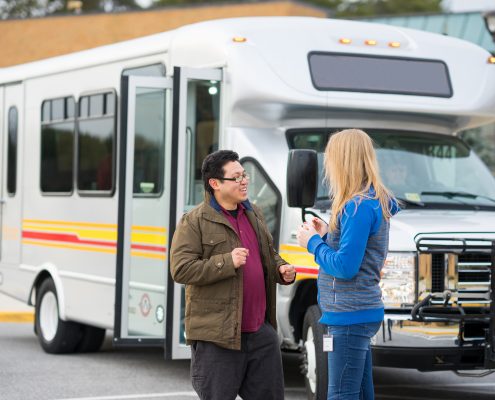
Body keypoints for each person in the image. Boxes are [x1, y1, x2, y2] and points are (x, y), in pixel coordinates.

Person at [170, 150, 296, 400]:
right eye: (236, 177)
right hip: (218, 338)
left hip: (261, 333)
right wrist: (226, 261)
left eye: (244, 175)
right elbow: (181, 269)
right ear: (215, 184)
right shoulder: (194, 221)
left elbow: (267, 254)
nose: (244, 181)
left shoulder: (254, 213)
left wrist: (281, 269)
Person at [296, 129, 399, 400]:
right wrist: (328, 233)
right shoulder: (369, 201)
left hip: (350, 315)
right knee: (361, 394)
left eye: (330, 159)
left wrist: (312, 243)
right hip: (360, 312)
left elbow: (345, 266)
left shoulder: (357, 206)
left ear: (343, 161)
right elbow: (357, 252)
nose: (328, 167)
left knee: (341, 394)